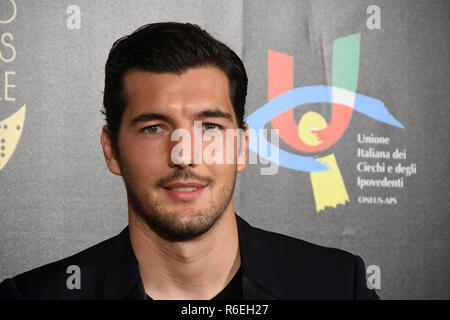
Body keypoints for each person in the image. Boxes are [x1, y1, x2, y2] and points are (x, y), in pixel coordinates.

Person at [0, 22, 379, 300]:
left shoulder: (336, 287)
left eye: (210, 127)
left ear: (242, 146)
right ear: (112, 150)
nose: (184, 155)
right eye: (153, 128)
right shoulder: (34, 298)